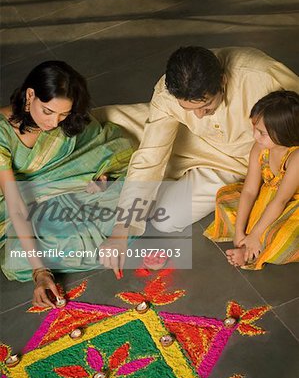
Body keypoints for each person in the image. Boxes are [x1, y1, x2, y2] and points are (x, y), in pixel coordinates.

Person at [94, 46, 299, 272]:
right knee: (116, 128)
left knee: (166, 219)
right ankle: (127, 188)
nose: (199, 115)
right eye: (189, 109)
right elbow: (150, 157)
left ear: (222, 80)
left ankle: (124, 187)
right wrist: (121, 231)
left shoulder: (261, 75)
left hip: (237, 163)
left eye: (206, 106)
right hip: (191, 141)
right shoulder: (166, 93)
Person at [0, 61, 135, 307]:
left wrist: (103, 175)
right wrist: (40, 272)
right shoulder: (1, 132)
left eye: (63, 114)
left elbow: (101, 146)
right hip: (20, 206)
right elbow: (16, 205)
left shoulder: (65, 122)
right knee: (15, 260)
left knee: (132, 191)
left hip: (73, 194)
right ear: (30, 95)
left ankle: (118, 239)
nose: (54, 123)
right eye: (48, 112)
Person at [204, 90, 299, 269]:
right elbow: (249, 191)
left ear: (283, 133)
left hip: (290, 205)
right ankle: (248, 244)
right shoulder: (260, 147)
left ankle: (251, 251)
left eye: (262, 133)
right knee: (225, 197)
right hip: (267, 200)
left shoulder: (296, 158)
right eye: (255, 128)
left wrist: (255, 234)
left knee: (283, 237)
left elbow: (281, 201)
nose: (255, 136)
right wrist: (239, 232)